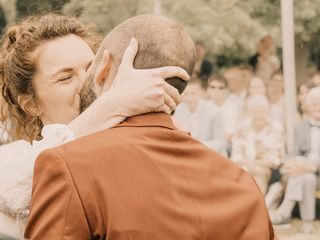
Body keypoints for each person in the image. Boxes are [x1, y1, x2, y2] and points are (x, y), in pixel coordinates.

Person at [25, 15, 275, 240]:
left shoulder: (69, 167)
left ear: (103, 69)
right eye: (66, 77)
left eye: (89, 68)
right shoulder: (243, 184)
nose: (81, 85)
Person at [0, 13, 189, 238]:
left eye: (92, 68)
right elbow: (15, 185)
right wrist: (110, 105)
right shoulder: (13, 162)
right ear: (30, 104)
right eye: (65, 78)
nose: (89, 82)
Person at [271, 87, 320, 234]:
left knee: (305, 173)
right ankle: (307, 222)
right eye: (314, 104)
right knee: (306, 178)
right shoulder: (300, 128)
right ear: (307, 107)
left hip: (316, 169)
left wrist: (313, 167)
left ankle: (286, 209)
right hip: (306, 173)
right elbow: (294, 152)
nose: (318, 107)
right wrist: (288, 162)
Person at [231, 94, 285, 195]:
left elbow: (276, 159)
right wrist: (249, 164)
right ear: (249, 112)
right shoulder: (241, 128)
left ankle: (257, 207)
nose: (258, 116)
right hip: (245, 166)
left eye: (261, 111)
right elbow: (236, 155)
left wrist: (256, 164)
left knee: (259, 173)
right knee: (240, 175)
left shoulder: (276, 129)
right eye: (255, 112)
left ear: (267, 111)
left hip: (269, 169)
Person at [173, 78, 226, 154]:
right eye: (186, 94)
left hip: (209, 154)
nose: (189, 98)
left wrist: (197, 145)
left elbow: (221, 142)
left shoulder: (214, 111)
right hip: (186, 154)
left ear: (201, 92)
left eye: (193, 94)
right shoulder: (179, 110)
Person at [206, 74, 241, 151]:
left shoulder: (232, 108)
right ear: (208, 90)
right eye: (213, 87)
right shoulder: (204, 106)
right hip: (207, 144)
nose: (216, 90)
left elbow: (229, 134)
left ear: (226, 90)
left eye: (220, 88)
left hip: (226, 146)